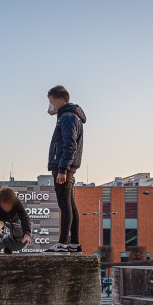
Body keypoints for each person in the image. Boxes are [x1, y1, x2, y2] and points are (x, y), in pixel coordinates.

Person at [44, 85, 86, 253]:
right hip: (68, 166)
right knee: (71, 205)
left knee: (65, 205)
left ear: (60, 99)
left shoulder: (68, 117)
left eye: (51, 100)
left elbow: (70, 144)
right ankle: (74, 243)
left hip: (64, 167)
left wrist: (62, 168)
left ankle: (63, 243)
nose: (50, 104)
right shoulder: (70, 116)